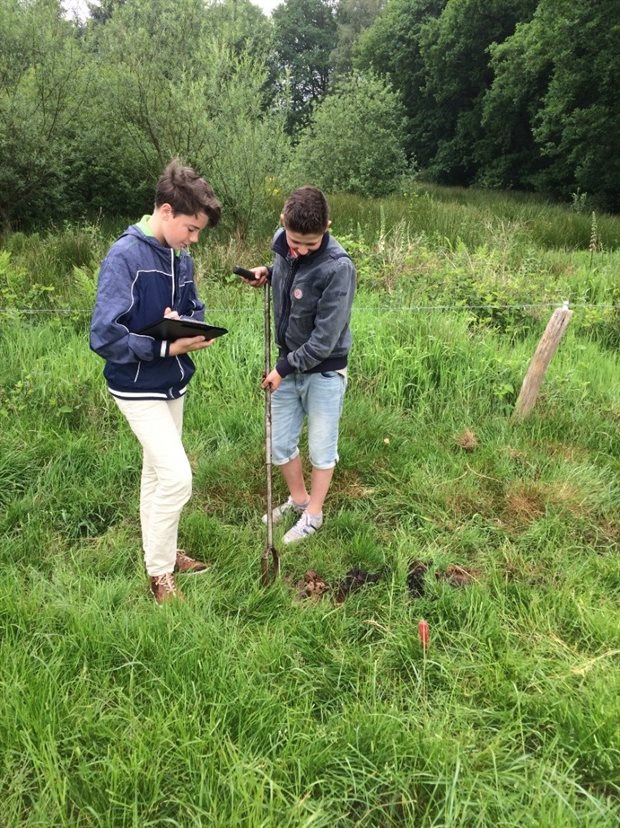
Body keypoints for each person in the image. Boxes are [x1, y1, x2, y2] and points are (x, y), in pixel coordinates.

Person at [90, 159, 221, 604]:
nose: (194, 239)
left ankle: (160, 553)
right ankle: (160, 576)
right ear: (165, 211)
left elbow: (193, 306)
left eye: (199, 231)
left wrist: (189, 324)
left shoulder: (179, 256)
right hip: (136, 384)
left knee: (156, 476)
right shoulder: (124, 256)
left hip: (172, 382)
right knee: (178, 478)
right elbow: (104, 334)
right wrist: (162, 344)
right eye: (190, 228)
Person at [242, 185, 356, 544]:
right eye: (295, 242)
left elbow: (324, 339)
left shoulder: (339, 268)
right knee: (278, 442)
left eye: (310, 244)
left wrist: (284, 369)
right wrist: (269, 272)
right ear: (282, 224)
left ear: (328, 226)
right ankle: (299, 499)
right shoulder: (282, 242)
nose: (301, 250)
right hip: (287, 362)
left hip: (323, 369)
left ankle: (314, 514)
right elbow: (291, 275)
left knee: (322, 446)